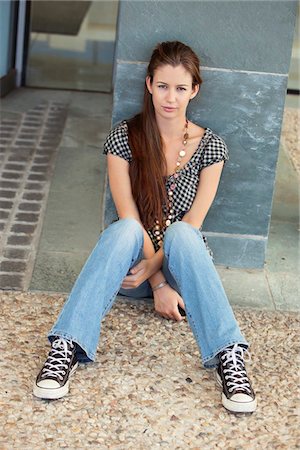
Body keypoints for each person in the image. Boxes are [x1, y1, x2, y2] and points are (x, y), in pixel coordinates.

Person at [33, 40, 256, 414]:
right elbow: (129, 216)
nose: (171, 97)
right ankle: (65, 347)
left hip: (184, 274)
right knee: (124, 230)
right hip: (130, 274)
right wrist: (155, 284)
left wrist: (166, 282)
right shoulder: (125, 137)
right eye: (163, 86)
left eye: (181, 88)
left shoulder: (212, 148)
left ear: (194, 90)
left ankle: (228, 357)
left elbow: (192, 222)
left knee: (184, 233)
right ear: (150, 84)